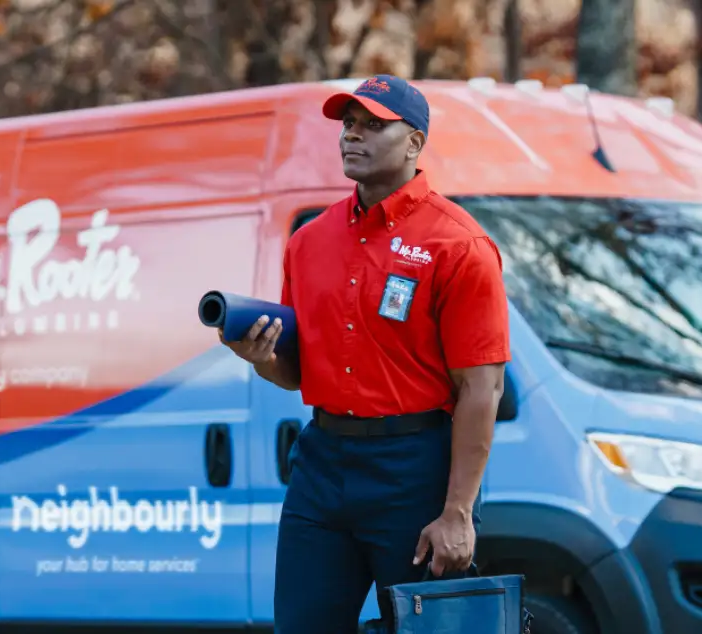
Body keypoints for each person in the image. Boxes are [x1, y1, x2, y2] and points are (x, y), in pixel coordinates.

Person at [218, 74, 511, 634]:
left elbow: (482, 388)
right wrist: (261, 358)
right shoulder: (309, 241)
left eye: (374, 126)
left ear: (415, 142)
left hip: (415, 466)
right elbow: (296, 371)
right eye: (349, 125)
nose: (353, 136)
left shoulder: (459, 244)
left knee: (428, 629)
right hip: (323, 463)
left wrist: (457, 512)